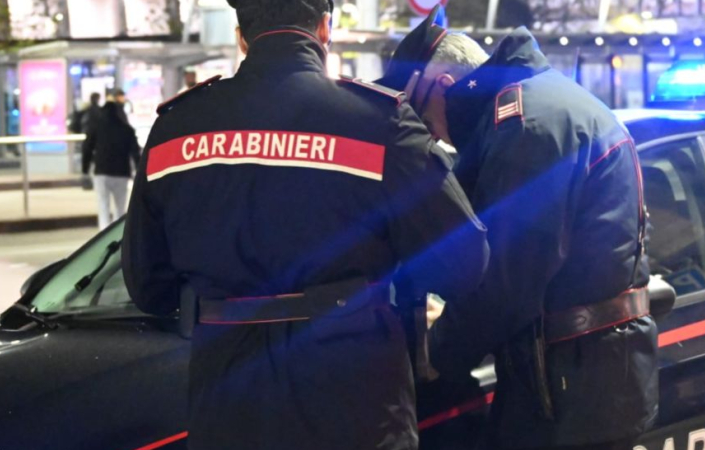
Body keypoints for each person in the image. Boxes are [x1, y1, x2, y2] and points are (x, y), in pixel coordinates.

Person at [120, 0, 488, 449]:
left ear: (241, 37)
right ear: (324, 28)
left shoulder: (175, 129)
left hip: (228, 405)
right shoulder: (379, 122)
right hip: (355, 403)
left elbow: (148, 287)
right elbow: (464, 263)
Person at [380, 8, 657, 450]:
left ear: (444, 86)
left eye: (426, 123)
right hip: (587, 380)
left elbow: (505, 281)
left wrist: (431, 356)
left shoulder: (526, 127)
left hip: (571, 396)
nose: (437, 138)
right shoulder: (539, 104)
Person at [81, 92, 140, 229]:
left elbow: (87, 148)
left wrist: (85, 169)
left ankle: (104, 232)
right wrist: (139, 170)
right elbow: (135, 152)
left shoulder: (96, 127)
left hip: (102, 172)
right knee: (120, 208)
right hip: (121, 172)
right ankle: (119, 235)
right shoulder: (127, 129)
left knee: (103, 206)